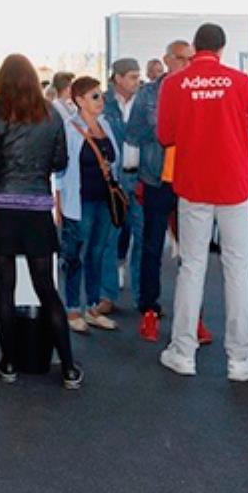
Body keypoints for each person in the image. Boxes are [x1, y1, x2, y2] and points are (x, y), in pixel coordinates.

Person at [156, 23, 248, 382]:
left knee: (192, 267)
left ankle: (182, 352)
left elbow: (165, 135)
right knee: (237, 269)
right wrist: (240, 116)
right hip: (234, 184)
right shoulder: (238, 81)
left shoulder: (175, 83)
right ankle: (240, 358)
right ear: (223, 49)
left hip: (194, 184)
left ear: (195, 48)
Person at [0, 54, 82, 388]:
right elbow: (60, 160)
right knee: (46, 289)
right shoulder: (51, 113)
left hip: (2, 209)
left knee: (4, 287)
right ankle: (68, 367)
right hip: (37, 210)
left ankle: (7, 362)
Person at [124, 39, 195, 343]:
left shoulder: (199, 91)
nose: (187, 63)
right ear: (167, 60)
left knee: (193, 252)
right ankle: (149, 309)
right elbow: (133, 134)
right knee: (152, 247)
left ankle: (195, 316)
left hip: (193, 180)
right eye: (181, 58)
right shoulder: (148, 93)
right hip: (156, 179)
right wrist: (164, 131)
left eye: (190, 58)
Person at [57, 76, 123, 332]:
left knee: (97, 253)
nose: (100, 100)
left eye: (101, 95)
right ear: (79, 100)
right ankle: (73, 309)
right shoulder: (69, 128)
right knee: (74, 256)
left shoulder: (105, 125)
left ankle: (93, 306)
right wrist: (59, 203)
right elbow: (60, 169)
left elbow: (114, 162)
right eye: (94, 96)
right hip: (79, 202)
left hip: (104, 202)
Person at [101, 58, 145, 313]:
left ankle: (144, 298)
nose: (136, 81)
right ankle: (107, 295)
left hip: (141, 178)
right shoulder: (101, 103)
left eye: (138, 76)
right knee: (110, 238)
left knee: (142, 237)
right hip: (113, 181)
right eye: (131, 76)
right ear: (117, 78)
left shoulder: (144, 103)